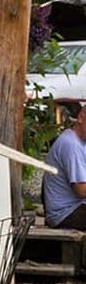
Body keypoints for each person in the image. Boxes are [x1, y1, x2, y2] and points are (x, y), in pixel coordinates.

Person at [47, 97, 86, 232]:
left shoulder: (81, 142)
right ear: (81, 117)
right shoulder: (71, 145)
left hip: (76, 208)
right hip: (65, 213)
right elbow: (81, 190)